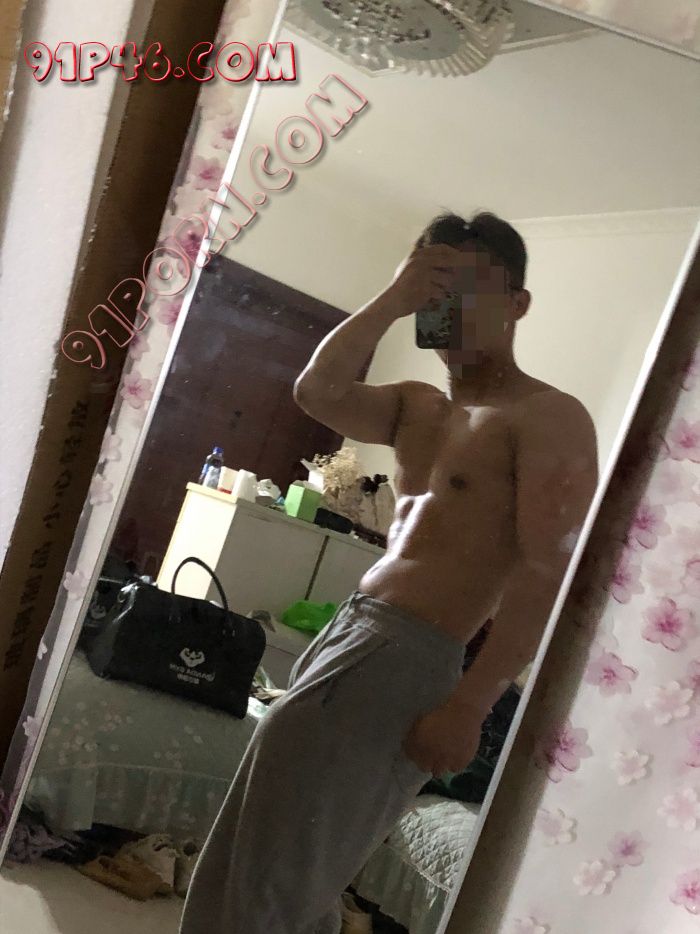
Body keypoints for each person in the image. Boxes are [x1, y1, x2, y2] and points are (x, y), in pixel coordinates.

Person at [179, 211, 598, 934]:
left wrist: (470, 705)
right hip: (353, 629)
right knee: (260, 848)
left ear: (518, 303)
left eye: (469, 285)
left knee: (283, 871)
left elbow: (545, 574)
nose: (449, 303)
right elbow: (317, 392)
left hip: (411, 652)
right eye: (437, 285)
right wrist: (394, 297)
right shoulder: (416, 404)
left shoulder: (547, 416)